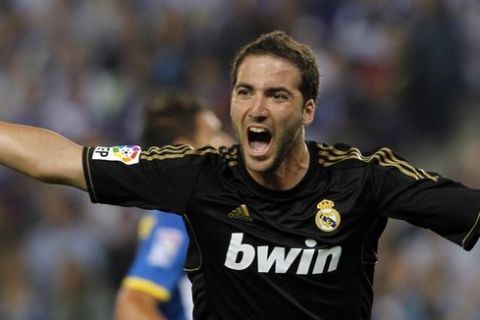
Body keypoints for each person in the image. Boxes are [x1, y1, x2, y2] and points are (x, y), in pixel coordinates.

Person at [1, 31, 480, 320]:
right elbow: (60, 160)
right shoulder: (196, 177)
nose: (256, 107)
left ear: (308, 109)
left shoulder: (362, 178)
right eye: (244, 91)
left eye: (276, 95)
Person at [113, 93, 232, 320]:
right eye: (215, 134)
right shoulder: (180, 217)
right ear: (184, 151)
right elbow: (131, 307)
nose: (228, 141)